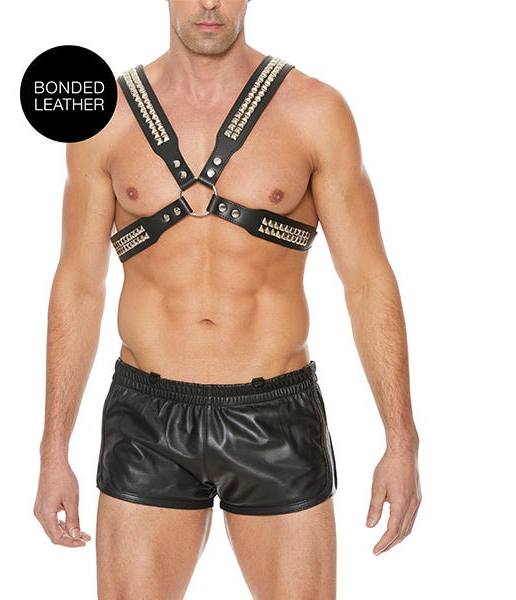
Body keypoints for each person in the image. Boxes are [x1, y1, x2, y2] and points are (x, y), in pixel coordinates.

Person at [33, 0, 422, 598]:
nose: (209, 2)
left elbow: (367, 280)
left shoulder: (315, 111)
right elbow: (79, 286)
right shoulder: (108, 119)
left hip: (275, 414)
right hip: (147, 420)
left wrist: (402, 441)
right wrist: (53, 450)